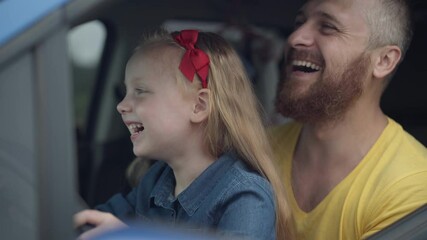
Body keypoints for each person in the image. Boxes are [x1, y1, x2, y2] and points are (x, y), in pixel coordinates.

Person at [74, 29, 290, 240]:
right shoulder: (157, 179)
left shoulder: (245, 196)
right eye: (126, 92)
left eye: (140, 91)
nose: (121, 105)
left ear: (198, 106)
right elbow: (99, 219)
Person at [269, 0, 427, 239]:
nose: (295, 38)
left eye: (328, 27)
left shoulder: (410, 186)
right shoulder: (259, 149)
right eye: (299, 22)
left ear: (384, 60)